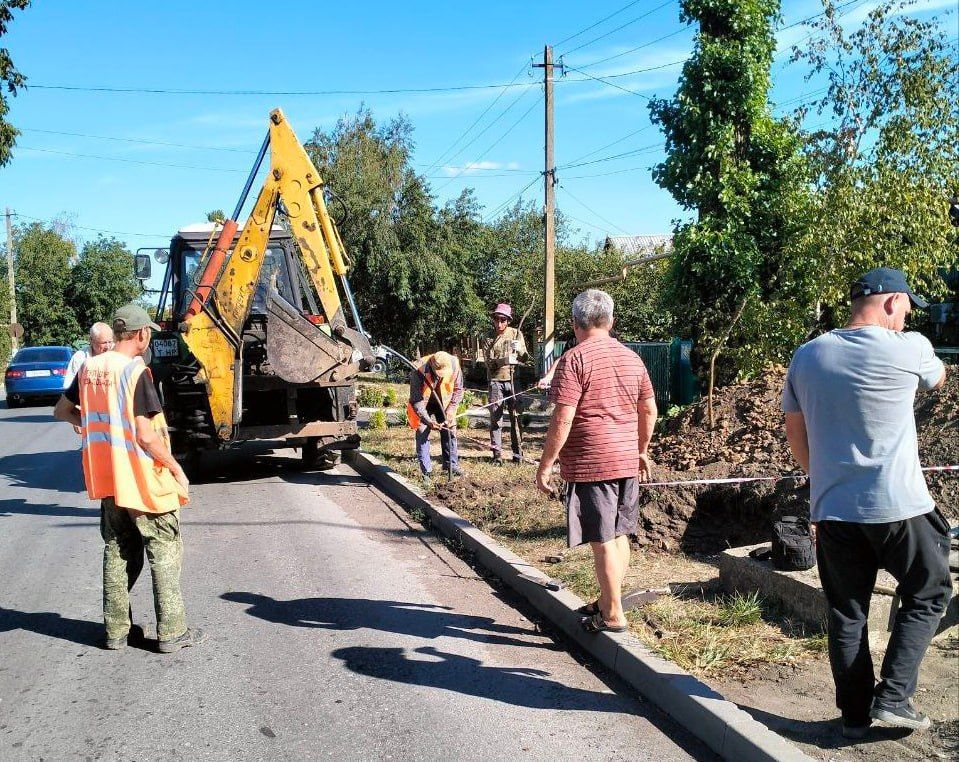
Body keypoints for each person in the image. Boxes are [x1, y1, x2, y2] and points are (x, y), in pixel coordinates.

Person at [782, 267, 951, 739]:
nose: (907, 316)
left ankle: (855, 717)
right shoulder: (910, 347)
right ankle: (894, 698)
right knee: (930, 590)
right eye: (908, 307)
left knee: (848, 613)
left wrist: (827, 478)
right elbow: (937, 380)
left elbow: (797, 438)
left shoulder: (806, 355)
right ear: (893, 302)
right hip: (899, 506)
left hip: (834, 509)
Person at [54, 304, 205, 654]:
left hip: (109, 480)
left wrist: (92, 420)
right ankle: (172, 631)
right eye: (147, 331)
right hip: (141, 479)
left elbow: (62, 411)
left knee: (117, 550)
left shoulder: (90, 368)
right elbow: (145, 435)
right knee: (164, 547)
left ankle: (116, 632)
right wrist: (177, 469)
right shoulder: (135, 373)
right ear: (141, 334)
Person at [535, 289, 657, 633]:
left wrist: (546, 464)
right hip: (625, 461)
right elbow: (648, 409)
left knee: (602, 537)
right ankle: (607, 600)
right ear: (611, 321)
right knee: (620, 534)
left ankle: (613, 613)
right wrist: (641, 449)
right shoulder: (633, 359)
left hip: (593, 463)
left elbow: (563, 417)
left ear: (575, 324)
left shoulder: (575, 359)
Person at [482, 303, 529, 464]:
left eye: (503, 320)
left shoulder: (516, 334)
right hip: (496, 382)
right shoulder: (488, 337)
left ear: (508, 320)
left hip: (514, 381)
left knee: (516, 417)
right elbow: (488, 363)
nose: (499, 323)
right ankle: (497, 456)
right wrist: (505, 360)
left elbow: (525, 359)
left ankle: (518, 454)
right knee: (496, 420)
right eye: (496, 319)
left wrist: (520, 351)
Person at [407, 351, 464, 478]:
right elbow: (416, 400)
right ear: (432, 365)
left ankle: (451, 466)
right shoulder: (418, 369)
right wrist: (428, 420)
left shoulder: (454, 364)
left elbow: (458, 390)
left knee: (450, 430)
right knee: (422, 431)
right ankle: (427, 471)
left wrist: (451, 410)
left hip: (445, 402)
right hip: (424, 404)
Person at [64, 322, 114, 388]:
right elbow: (68, 385)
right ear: (91, 341)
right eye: (104, 343)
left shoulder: (117, 355)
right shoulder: (80, 357)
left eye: (110, 342)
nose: (108, 346)